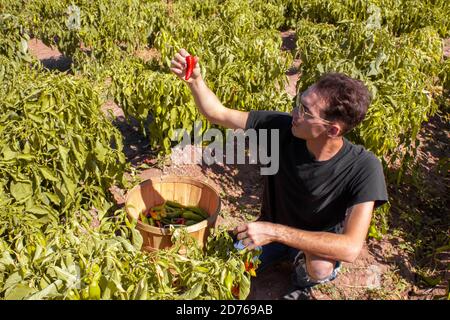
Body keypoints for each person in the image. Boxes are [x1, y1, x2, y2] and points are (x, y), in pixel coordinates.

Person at [170, 48, 388, 300]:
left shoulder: (364, 167)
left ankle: (301, 277)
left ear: (333, 130)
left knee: (319, 267)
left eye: (306, 112)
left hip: (311, 245)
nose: (296, 113)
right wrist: (196, 81)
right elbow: (218, 113)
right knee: (223, 260)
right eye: (300, 103)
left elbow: (350, 248)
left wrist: (273, 231)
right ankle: (277, 253)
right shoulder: (282, 127)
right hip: (269, 234)